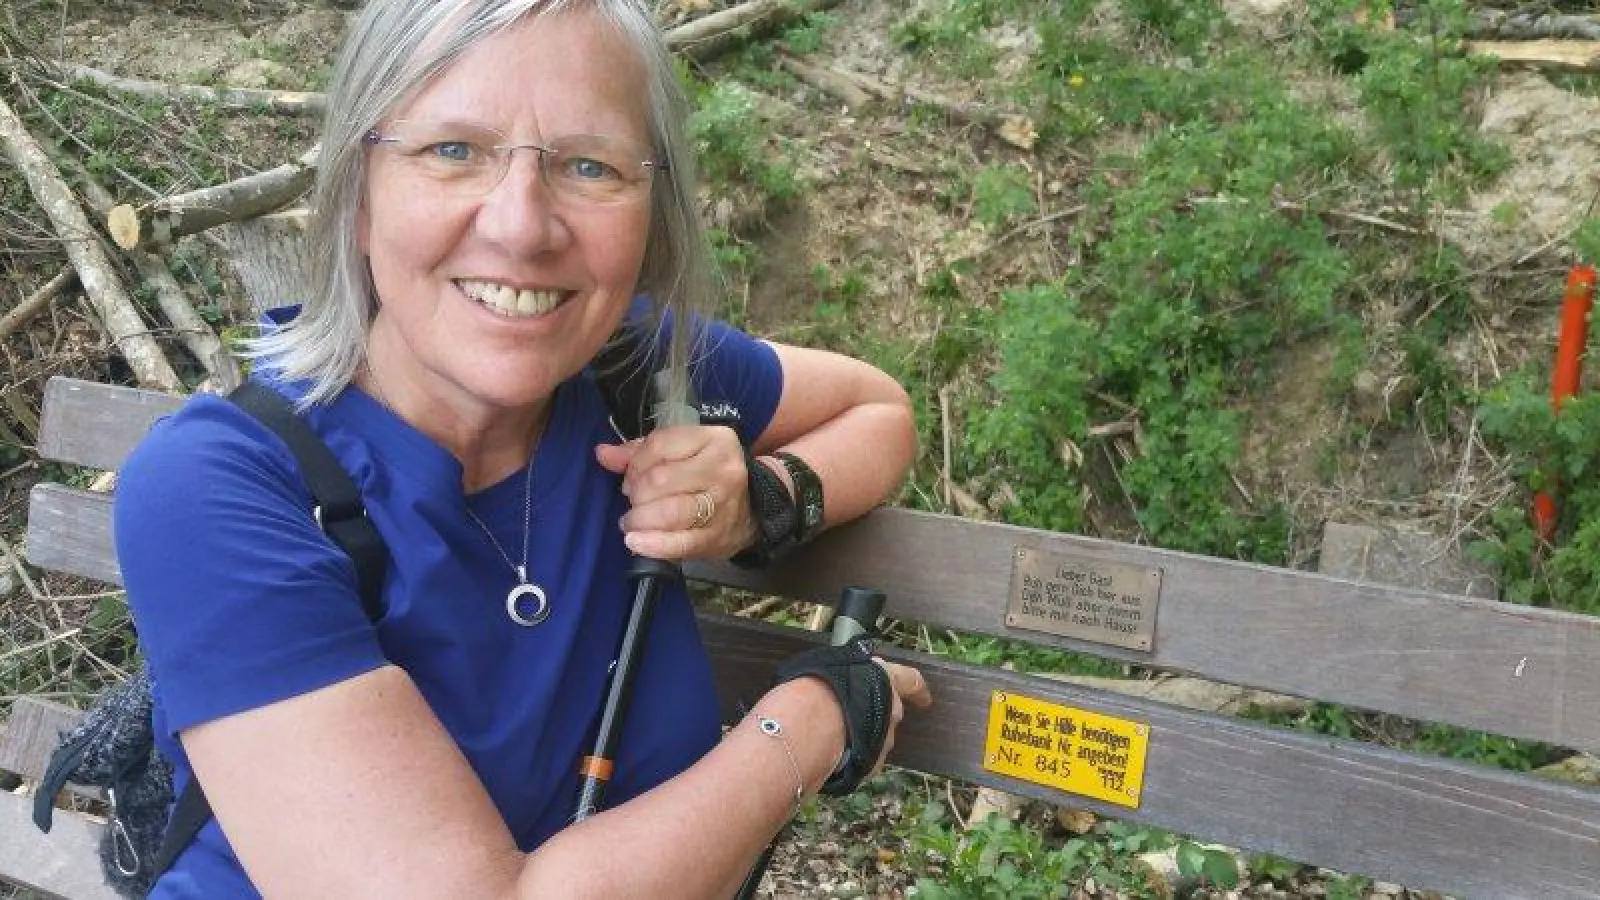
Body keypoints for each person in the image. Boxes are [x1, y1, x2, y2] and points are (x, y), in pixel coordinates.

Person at [112, 0, 931, 896]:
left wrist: (764, 499)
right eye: (452, 150)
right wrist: (804, 732)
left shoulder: (630, 364)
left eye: (590, 164)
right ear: (355, 194)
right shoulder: (218, 487)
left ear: (653, 215)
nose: (521, 226)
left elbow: (879, 412)